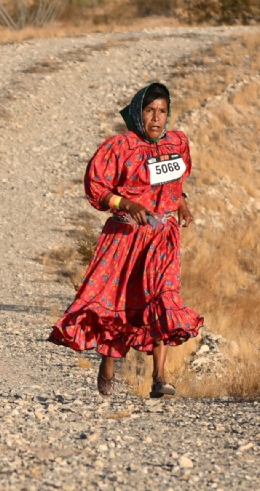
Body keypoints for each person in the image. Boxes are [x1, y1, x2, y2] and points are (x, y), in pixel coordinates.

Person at [49, 82, 203, 398]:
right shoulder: (119, 147)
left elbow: (175, 180)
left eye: (162, 111)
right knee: (118, 307)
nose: (156, 119)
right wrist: (128, 204)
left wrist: (182, 203)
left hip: (162, 238)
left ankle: (160, 377)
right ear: (138, 113)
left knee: (161, 297)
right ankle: (108, 364)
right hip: (125, 238)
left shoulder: (177, 143)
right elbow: (97, 189)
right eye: (149, 111)